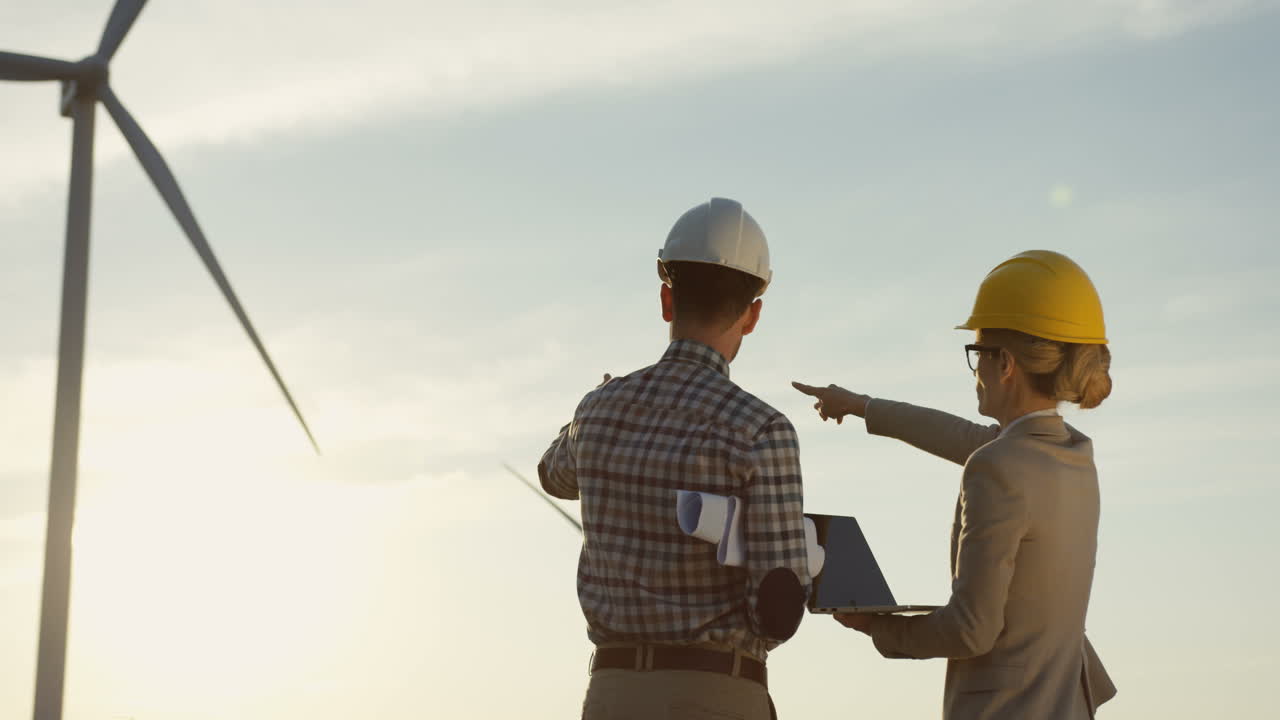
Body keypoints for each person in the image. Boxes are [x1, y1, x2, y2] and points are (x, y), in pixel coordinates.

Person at [793, 250, 1118, 719]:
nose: (975, 371)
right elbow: (970, 439)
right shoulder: (1073, 456)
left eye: (977, 355)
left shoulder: (999, 466)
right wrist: (862, 405)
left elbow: (971, 630)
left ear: (1004, 362)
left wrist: (876, 627)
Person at [539, 198, 812, 720]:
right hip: (716, 695)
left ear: (667, 299)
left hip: (611, 695)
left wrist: (591, 408)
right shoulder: (762, 430)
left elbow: (552, 475)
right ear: (752, 314)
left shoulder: (597, 410)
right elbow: (777, 614)